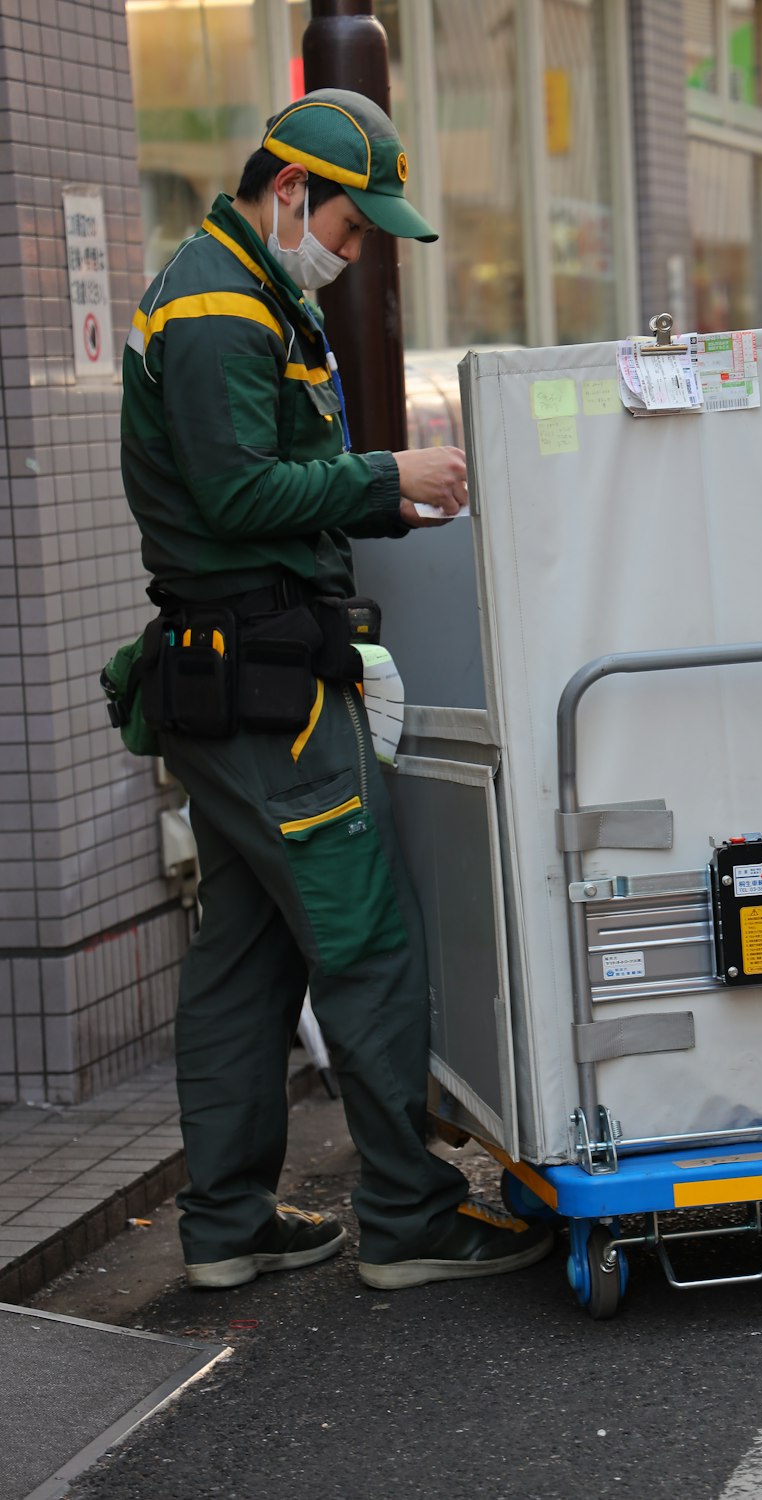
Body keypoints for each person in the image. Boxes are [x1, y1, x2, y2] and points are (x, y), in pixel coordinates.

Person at [120, 89, 552, 1292]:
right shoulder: (217, 310)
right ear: (292, 191)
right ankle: (410, 1221)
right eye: (355, 229)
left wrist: (383, 499)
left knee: (246, 960)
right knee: (363, 942)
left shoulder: (252, 293)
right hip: (267, 695)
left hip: (234, 683)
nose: (355, 254)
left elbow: (268, 483)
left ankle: (224, 1225)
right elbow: (234, 496)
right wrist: (385, 467)